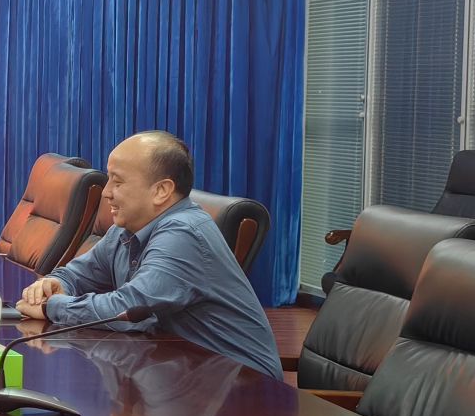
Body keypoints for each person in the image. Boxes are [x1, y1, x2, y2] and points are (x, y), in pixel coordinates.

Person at [17, 130, 283, 379]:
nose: (106, 192)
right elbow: (78, 274)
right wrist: (55, 284)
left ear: (161, 191)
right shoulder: (125, 229)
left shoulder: (183, 234)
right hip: (180, 370)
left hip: (240, 385)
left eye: (117, 182)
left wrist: (52, 307)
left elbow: (129, 308)